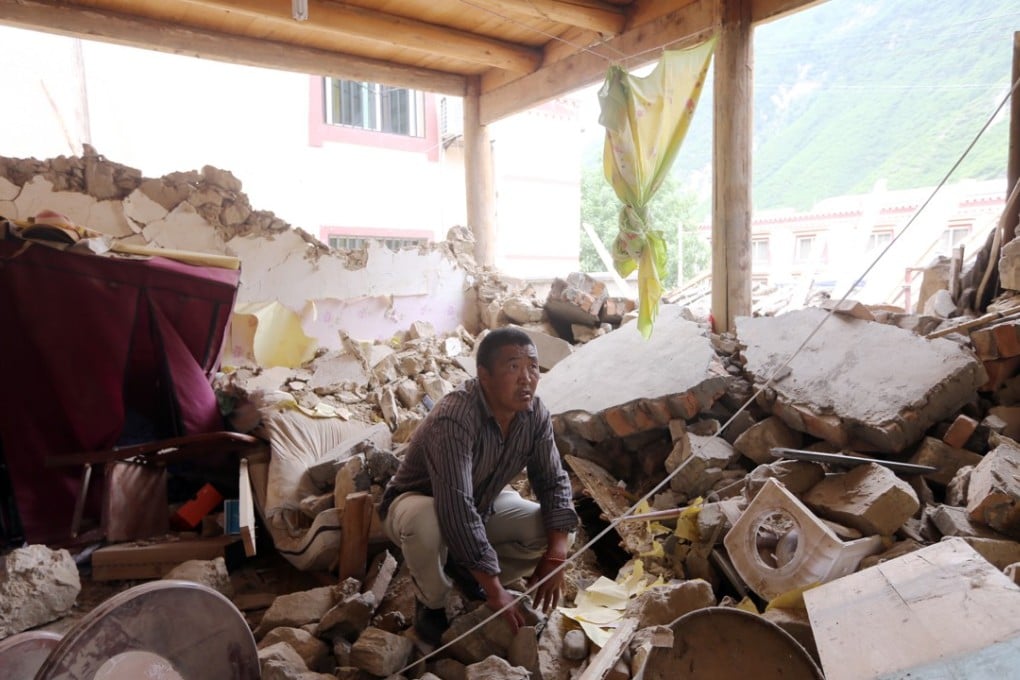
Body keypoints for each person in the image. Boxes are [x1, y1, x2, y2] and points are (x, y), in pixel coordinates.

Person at [379, 327, 578, 643]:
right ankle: (432, 601)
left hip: (481, 501)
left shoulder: (534, 413)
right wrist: (496, 591)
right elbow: (454, 505)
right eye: (513, 367)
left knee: (555, 528)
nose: (527, 378)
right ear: (484, 376)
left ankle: (465, 571)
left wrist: (556, 556)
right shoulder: (455, 417)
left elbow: (553, 481)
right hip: (417, 502)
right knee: (426, 523)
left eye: (533, 366)